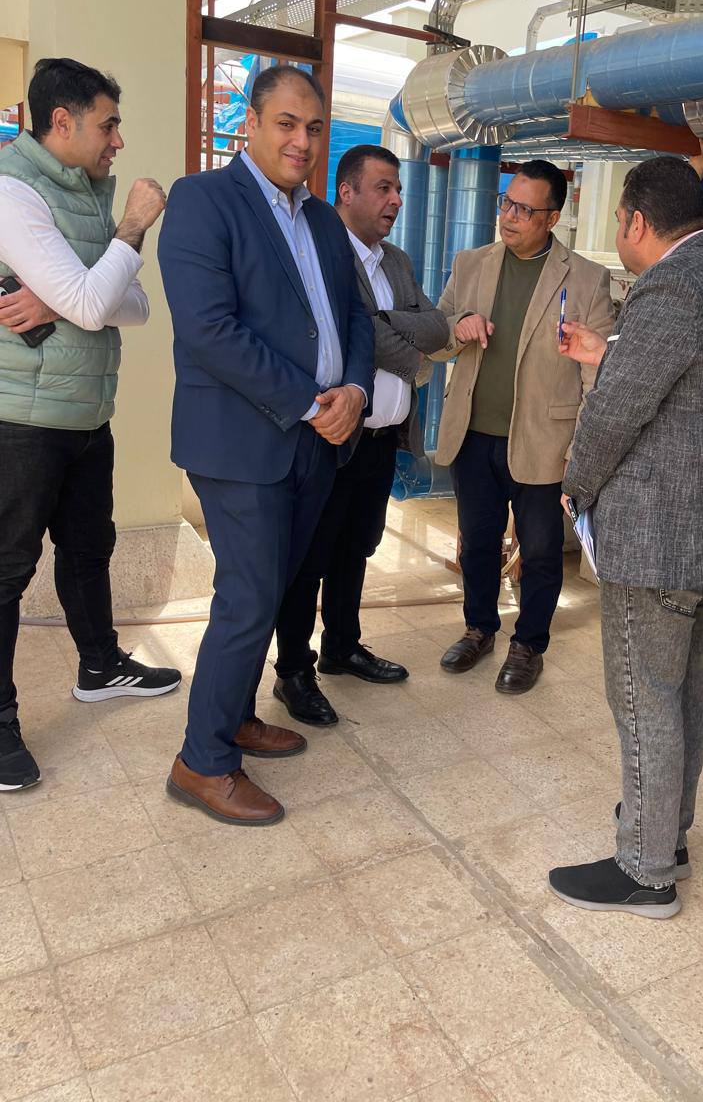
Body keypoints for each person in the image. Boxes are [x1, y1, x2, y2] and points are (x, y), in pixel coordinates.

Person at [548, 157, 703, 918]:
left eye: (618, 220)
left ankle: (645, 871)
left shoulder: (670, 288)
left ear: (636, 221)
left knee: (641, 693)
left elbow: (617, 412)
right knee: (684, 687)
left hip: (656, 537)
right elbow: (699, 389)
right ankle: (668, 836)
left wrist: (575, 487)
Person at [158, 66, 373, 826]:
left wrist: (354, 391)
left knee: (278, 590)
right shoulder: (203, 200)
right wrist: (311, 401)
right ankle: (202, 762)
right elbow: (209, 330)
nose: (301, 141)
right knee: (248, 598)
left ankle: (236, 716)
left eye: (313, 128)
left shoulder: (322, 221)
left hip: (317, 439)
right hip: (242, 441)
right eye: (285, 123)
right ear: (249, 122)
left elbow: (354, 315)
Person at [0, 58, 181, 793]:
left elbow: (132, 306)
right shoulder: (13, 190)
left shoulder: (83, 191)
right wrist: (130, 231)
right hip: (21, 420)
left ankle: (100, 667)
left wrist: (66, 297)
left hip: (85, 413)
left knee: (88, 548)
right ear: (62, 122)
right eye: (109, 125)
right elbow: (93, 299)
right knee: (7, 571)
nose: (118, 140)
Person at [272, 144, 447, 722]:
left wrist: (385, 321)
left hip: (381, 440)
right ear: (345, 192)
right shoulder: (324, 254)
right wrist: (403, 343)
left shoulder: (395, 261)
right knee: (311, 558)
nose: (396, 200)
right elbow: (356, 339)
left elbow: (437, 327)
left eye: (398, 189)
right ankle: (293, 670)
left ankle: (341, 647)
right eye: (383, 188)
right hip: (332, 439)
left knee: (357, 548)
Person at [428, 159, 614, 694]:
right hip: (474, 434)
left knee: (540, 552)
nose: (509, 216)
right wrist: (458, 329)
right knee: (478, 543)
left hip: (545, 441)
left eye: (524, 210)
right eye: (506, 203)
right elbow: (436, 341)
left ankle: (529, 644)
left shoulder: (586, 279)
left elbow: (597, 376)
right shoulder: (470, 264)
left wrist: (580, 451)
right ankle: (479, 629)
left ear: (552, 218)